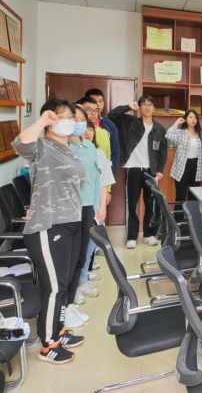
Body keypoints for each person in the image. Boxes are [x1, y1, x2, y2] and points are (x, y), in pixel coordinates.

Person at [12, 100, 86, 364]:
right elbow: (21, 144)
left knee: (64, 284)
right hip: (48, 224)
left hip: (72, 221)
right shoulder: (41, 146)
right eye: (61, 116)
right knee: (54, 287)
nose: (68, 121)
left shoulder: (70, 147)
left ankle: (58, 330)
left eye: (71, 116)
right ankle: (48, 344)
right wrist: (43, 120)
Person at [64, 106, 107, 329]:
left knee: (81, 254)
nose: (80, 123)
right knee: (70, 257)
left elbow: (96, 180)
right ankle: (65, 305)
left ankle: (70, 301)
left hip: (88, 205)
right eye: (76, 118)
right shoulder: (63, 146)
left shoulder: (90, 147)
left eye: (83, 119)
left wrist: (98, 205)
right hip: (69, 208)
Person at [109, 96, 167, 249]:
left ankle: (149, 235)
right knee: (131, 204)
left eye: (150, 105)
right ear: (139, 108)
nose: (147, 107)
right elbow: (112, 115)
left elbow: (162, 152)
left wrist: (160, 170)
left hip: (151, 171)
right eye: (144, 105)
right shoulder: (130, 122)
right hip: (133, 169)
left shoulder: (159, 129)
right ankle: (131, 236)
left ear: (154, 109)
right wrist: (128, 106)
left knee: (151, 204)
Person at [78, 120, 114, 301]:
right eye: (84, 129)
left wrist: (102, 207)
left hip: (95, 207)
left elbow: (104, 181)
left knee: (89, 247)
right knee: (78, 249)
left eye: (90, 129)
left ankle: (83, 280)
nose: (87, 133)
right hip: (78, 207)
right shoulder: (73, 152)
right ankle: (75, 286)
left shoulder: (99, 153)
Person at [166, 110, 202, 208]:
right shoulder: (181, 133)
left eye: (195, 118)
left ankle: (191, 218)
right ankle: (178, 218)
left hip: (197, 166)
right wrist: (176, 123)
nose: (193, 120)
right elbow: (168, 135)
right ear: (186, 119)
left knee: (193, 197)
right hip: (182, 166)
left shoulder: (201, 134)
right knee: (180, 196)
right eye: (191, 117)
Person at [84, 89, 120, 174]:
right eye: (94, 101)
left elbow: (115, 151)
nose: (98, 104)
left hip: (104, 172)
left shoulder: (109, 124)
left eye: (100, 101)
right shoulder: (79, 126)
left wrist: (111, 170)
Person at [76, 96, 112, 167]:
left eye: (96, 110)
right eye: (89, 110)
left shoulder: (104, 133)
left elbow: (107, 160)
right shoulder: (74, 133)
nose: (93, 113)